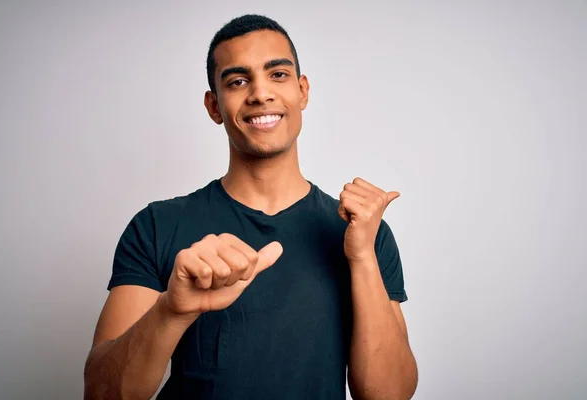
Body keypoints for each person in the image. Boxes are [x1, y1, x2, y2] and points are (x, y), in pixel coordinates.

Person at [83, 14, 418, 400]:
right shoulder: (156, 226)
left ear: (302, 91)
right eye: (238, 81)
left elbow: (388, 395)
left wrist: (361, 257)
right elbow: (101, 394)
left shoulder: (363, 232)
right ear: (214, 106)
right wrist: (171, 311)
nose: (260, 93)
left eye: (277, 74)